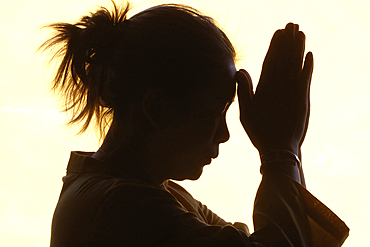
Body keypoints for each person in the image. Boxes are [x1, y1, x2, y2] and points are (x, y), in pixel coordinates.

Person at [42, 1, 349, 246]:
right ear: (158, 108)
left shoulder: (159, 196)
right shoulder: (122, 207)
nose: (225, 134)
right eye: (215, 113)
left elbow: (290, 238)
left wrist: (284, 150)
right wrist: (281, 150)